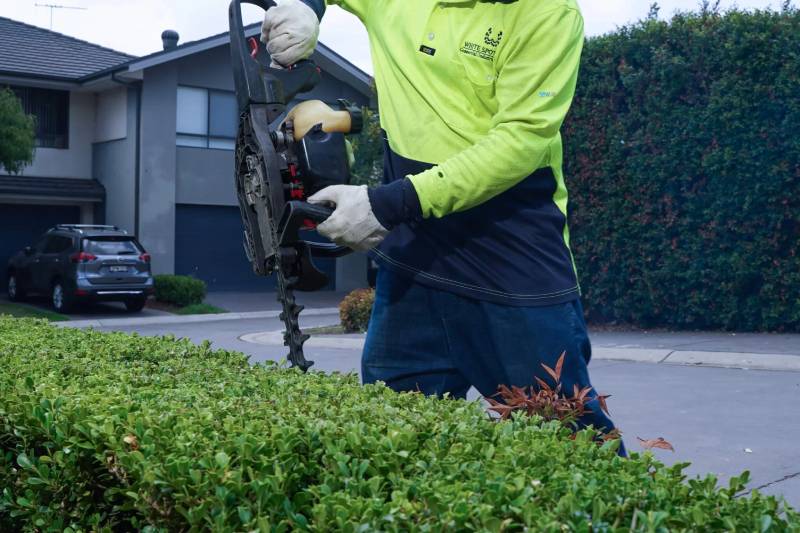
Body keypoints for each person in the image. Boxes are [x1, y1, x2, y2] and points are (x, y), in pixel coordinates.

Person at [262, 0, 624, 450]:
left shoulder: (547, 12)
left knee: (571, 444)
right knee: (389, 441)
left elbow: (520, 142)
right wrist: (307, 8)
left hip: (512, 265)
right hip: (414, 264)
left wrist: (388, 204)